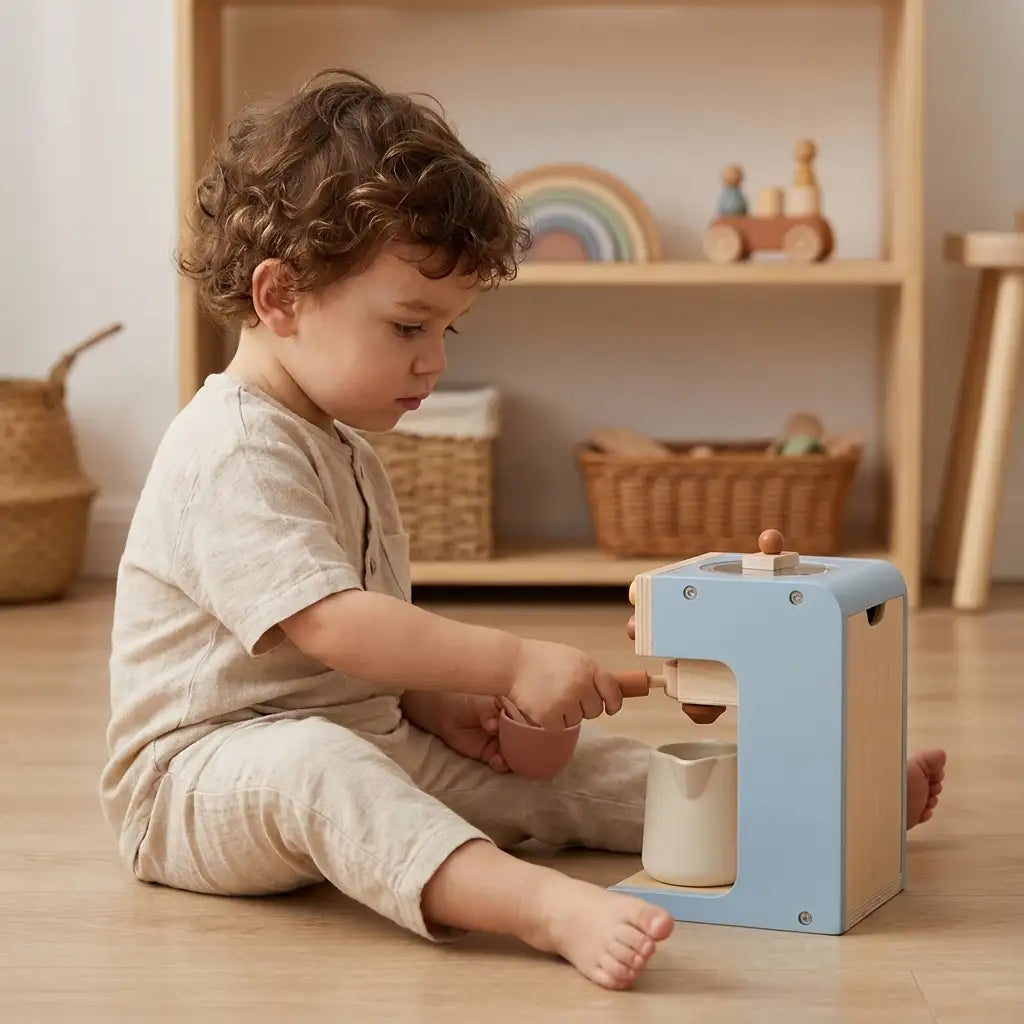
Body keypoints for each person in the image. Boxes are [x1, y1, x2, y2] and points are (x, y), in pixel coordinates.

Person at [100, 68, 945, 991]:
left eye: (449, 332)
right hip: (196, 785)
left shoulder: (347, 450)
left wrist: (445, 704)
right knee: (318, 766)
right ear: (280, 297)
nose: (431, 362)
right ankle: (538, 907)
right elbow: (332, 626)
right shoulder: (230, 450)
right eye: (409, 325)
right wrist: (506, 662)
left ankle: (820, 812)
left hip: (367, 737)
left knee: (579, 770)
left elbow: (367, 655)